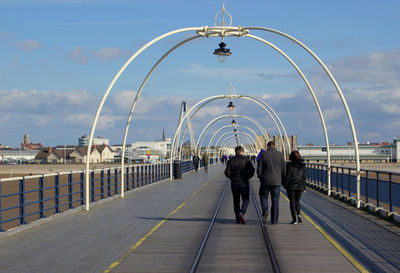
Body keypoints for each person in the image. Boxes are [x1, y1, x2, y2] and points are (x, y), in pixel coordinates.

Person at [257, 141, 286, 224]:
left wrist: (260, 176)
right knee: (275, 201)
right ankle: (274, 220)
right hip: (277, 181)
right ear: (274, 146)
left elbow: (259, 168)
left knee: (263, 196)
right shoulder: (280, 155)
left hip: (265, 181)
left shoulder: (263, 155)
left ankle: (265, 210)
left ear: (268, 146)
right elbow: (284, 169)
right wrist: (283, 179)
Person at [224, 146, 255, 224]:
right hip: (244, 182)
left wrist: (232, 177)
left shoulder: (231, 161)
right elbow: (252, 170)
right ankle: (242, 212)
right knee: (246, 200)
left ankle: (238, 218)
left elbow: (227, 173)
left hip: (234, 183)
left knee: (236, 201)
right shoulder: (246, 160)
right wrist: (248, 177)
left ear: (236, 152)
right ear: (242, 152)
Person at [283, 150, 306, 224]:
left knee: (292, 202)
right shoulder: (302, 165)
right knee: (297, 201)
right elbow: (304, 177)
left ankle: (294, 219)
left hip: (291, 186)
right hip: (300, 186)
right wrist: (304, 187)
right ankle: (299, 215)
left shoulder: (289, 165)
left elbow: (288, 175)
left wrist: (284, 184)